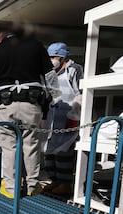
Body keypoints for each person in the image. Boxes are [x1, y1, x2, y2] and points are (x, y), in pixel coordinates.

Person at [0, 31, 60, 198]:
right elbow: (50, 76)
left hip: (5, 105)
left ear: (1, 40)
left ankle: (11, 189)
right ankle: (32, 186)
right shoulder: (36, 45)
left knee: (9, 147)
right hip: (31, 103)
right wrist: (56, 97)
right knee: (31, 145)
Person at [42, 42, 84, 195]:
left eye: (54, 57)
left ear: (62, 57)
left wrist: (74, 115)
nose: (51, 60)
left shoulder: (74, 70)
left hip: (68, 118)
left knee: (64, 152)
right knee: (49, 151)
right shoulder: (51, 73)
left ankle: (65, 184)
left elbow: (80, 94)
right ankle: (55, 181)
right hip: (51, 119)